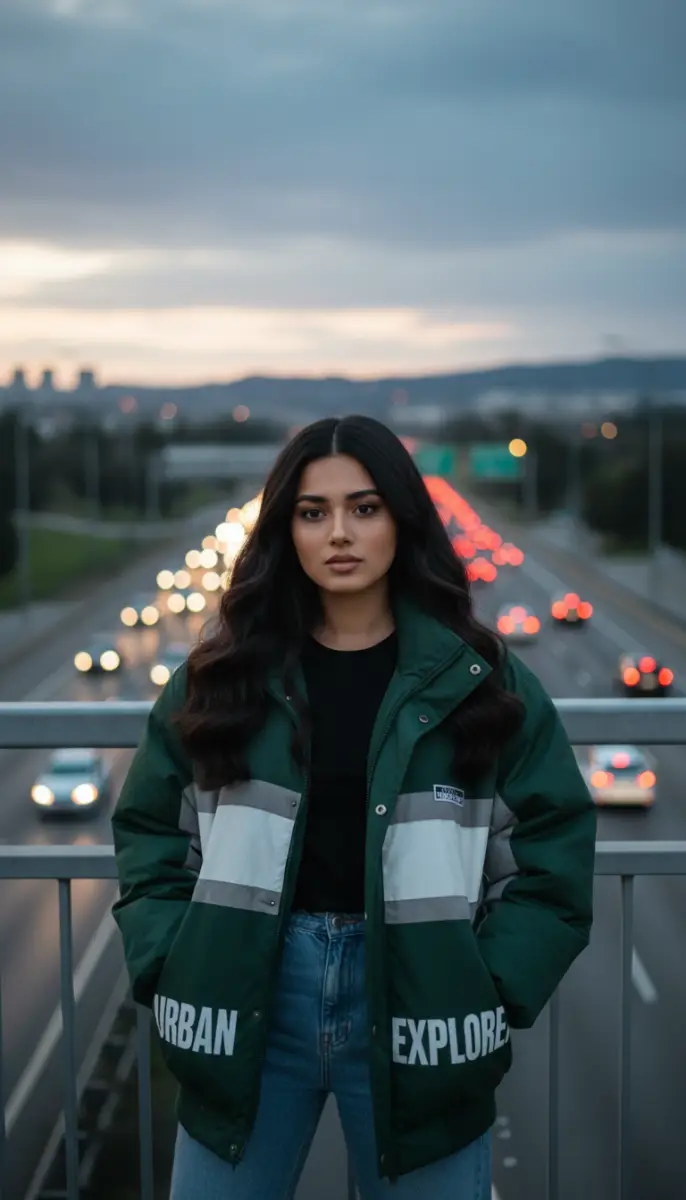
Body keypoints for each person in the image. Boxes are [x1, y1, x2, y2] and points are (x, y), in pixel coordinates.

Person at [111, 414, 596, 1200]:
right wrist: (173, 963)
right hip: (248, 1006)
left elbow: (555, 846)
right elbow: (146, 832)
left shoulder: (482, 681)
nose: (339, 532)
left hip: (422, 1013)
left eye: (365, 508)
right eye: (313, 512)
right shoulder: (221, 679)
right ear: (286, 530)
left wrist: (486, 985)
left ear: (402, 520)